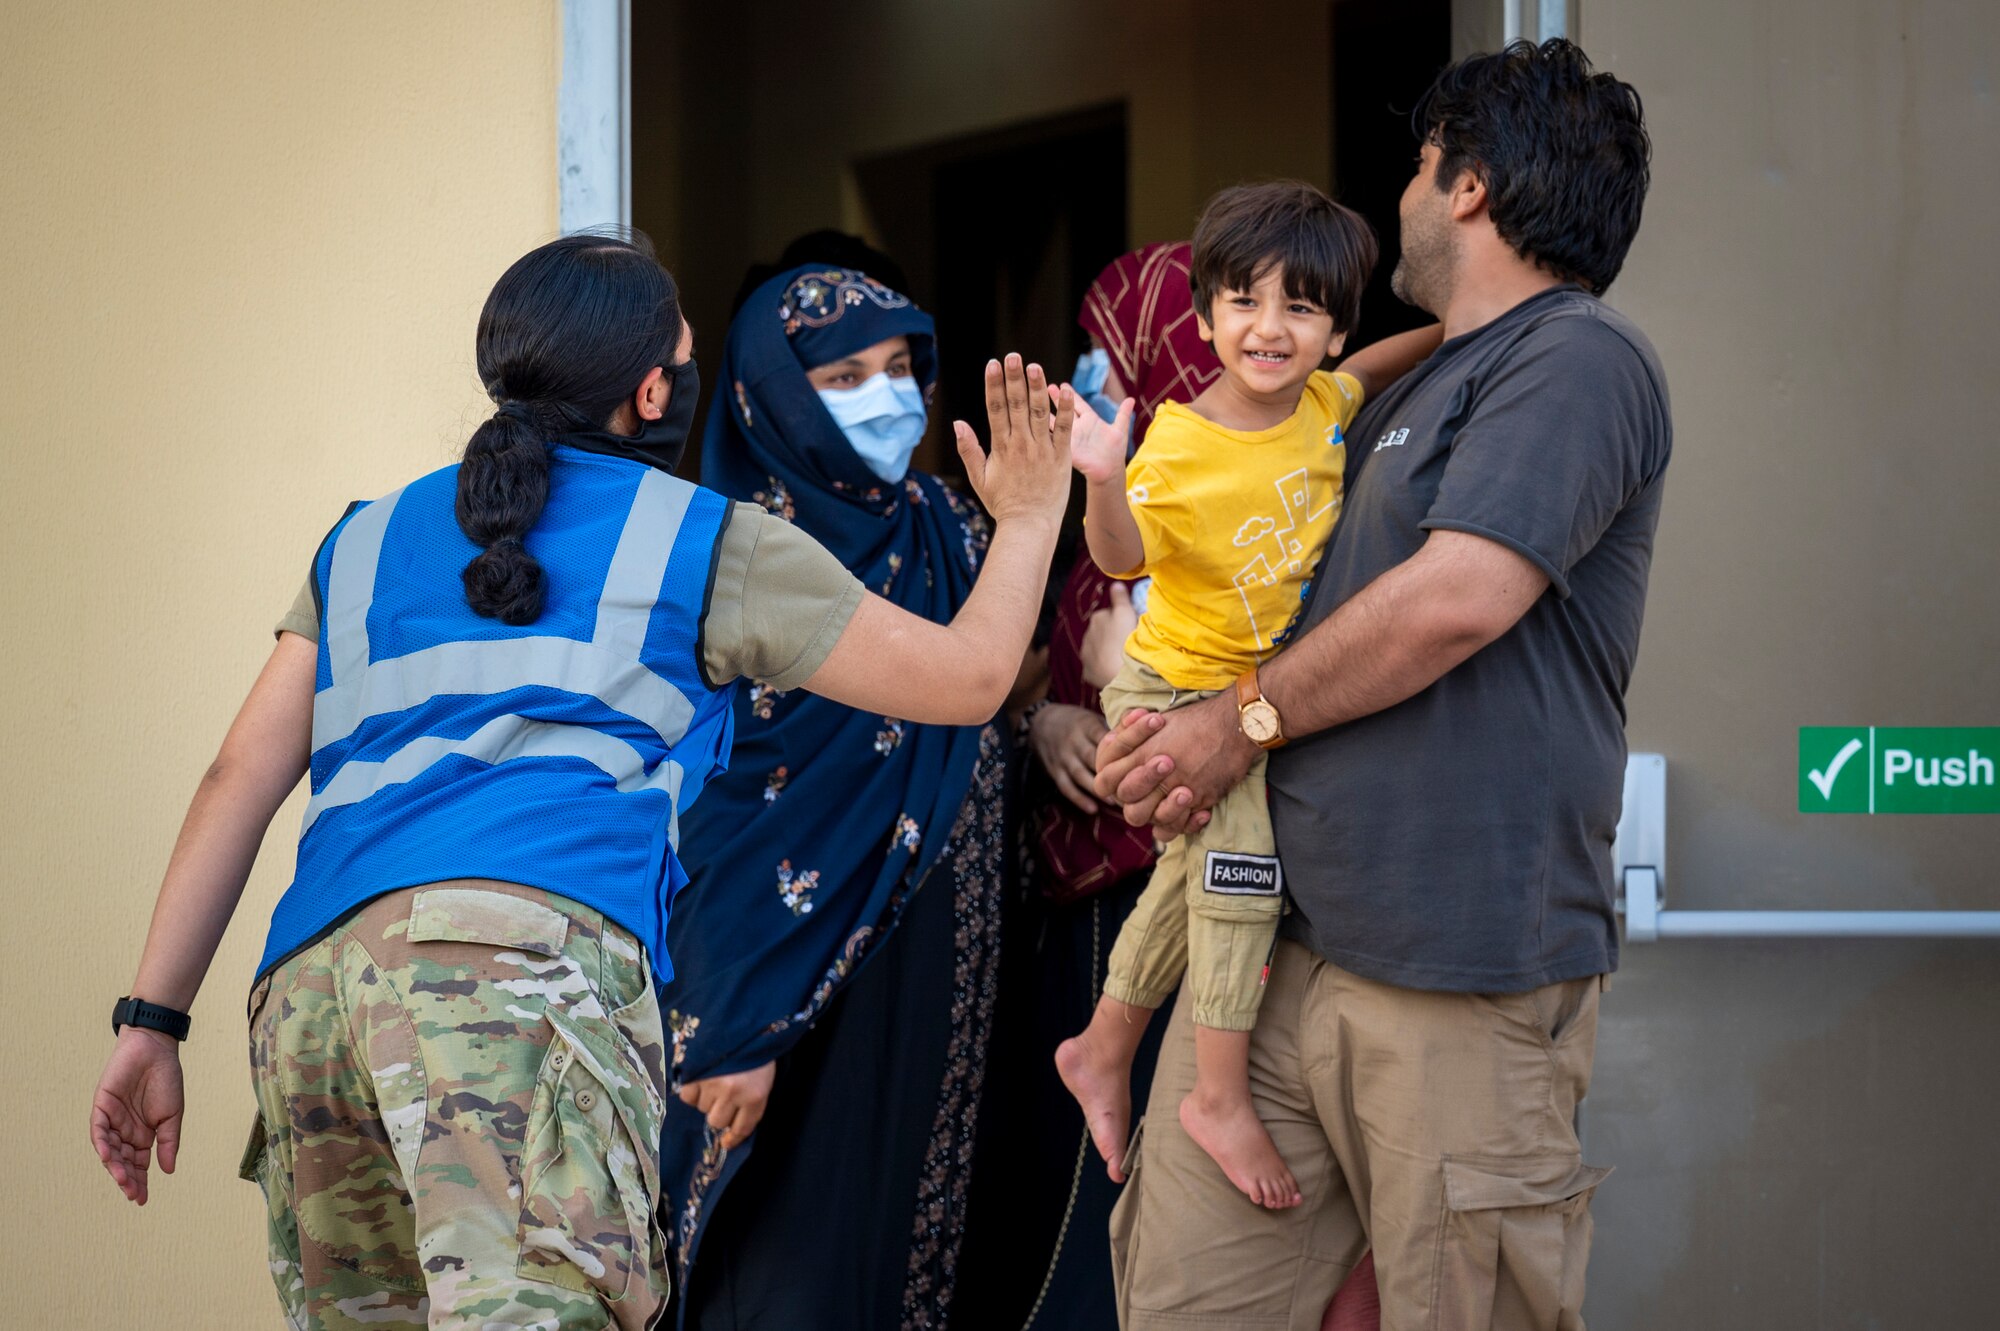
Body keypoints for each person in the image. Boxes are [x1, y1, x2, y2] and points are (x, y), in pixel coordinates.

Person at [86, 233, 1075, 1330]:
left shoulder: (363, 537)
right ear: (653, 389)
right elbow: (973, 677)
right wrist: (1030, 518)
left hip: (312, 997)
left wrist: (151, 1020)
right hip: (512, 985)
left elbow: (239, 775)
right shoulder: (699, 539)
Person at [1095, 41, 1666, 1329]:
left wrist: (1236, 720)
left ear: (1465, 185)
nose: (1403, 191)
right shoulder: (1414, 376)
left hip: (1455, 972)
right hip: (1282, 950)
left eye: (1418, 164)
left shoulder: (1575, 358)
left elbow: (1458, 594)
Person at [654, 264, 1040, 1330]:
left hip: (941, 975)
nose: (889, 393)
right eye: (843, 374)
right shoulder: (735, 558)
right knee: (795, 1270)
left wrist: (1049, 717)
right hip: (784, 999)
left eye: (899, 364)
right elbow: (719, 812)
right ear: (776, 396)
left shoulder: (951, 522)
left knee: (932, 1257)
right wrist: (736, 1022)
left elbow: (1003, 680)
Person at [1055, 182, 1442, 1209]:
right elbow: (1119, 554)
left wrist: (1462, 329)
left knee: (1187, 883)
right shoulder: (1179, 440)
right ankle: (1214, 1093)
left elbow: (1362, 374)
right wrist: (1100, 472)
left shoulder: (1324, 400)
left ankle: (1101, 1044)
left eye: (1301, 308)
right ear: (1203, 313)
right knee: (1239, 874)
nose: (1269, 329)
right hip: (1177, 684)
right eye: (1244, 302)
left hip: (1233, 685)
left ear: (1333, 326)